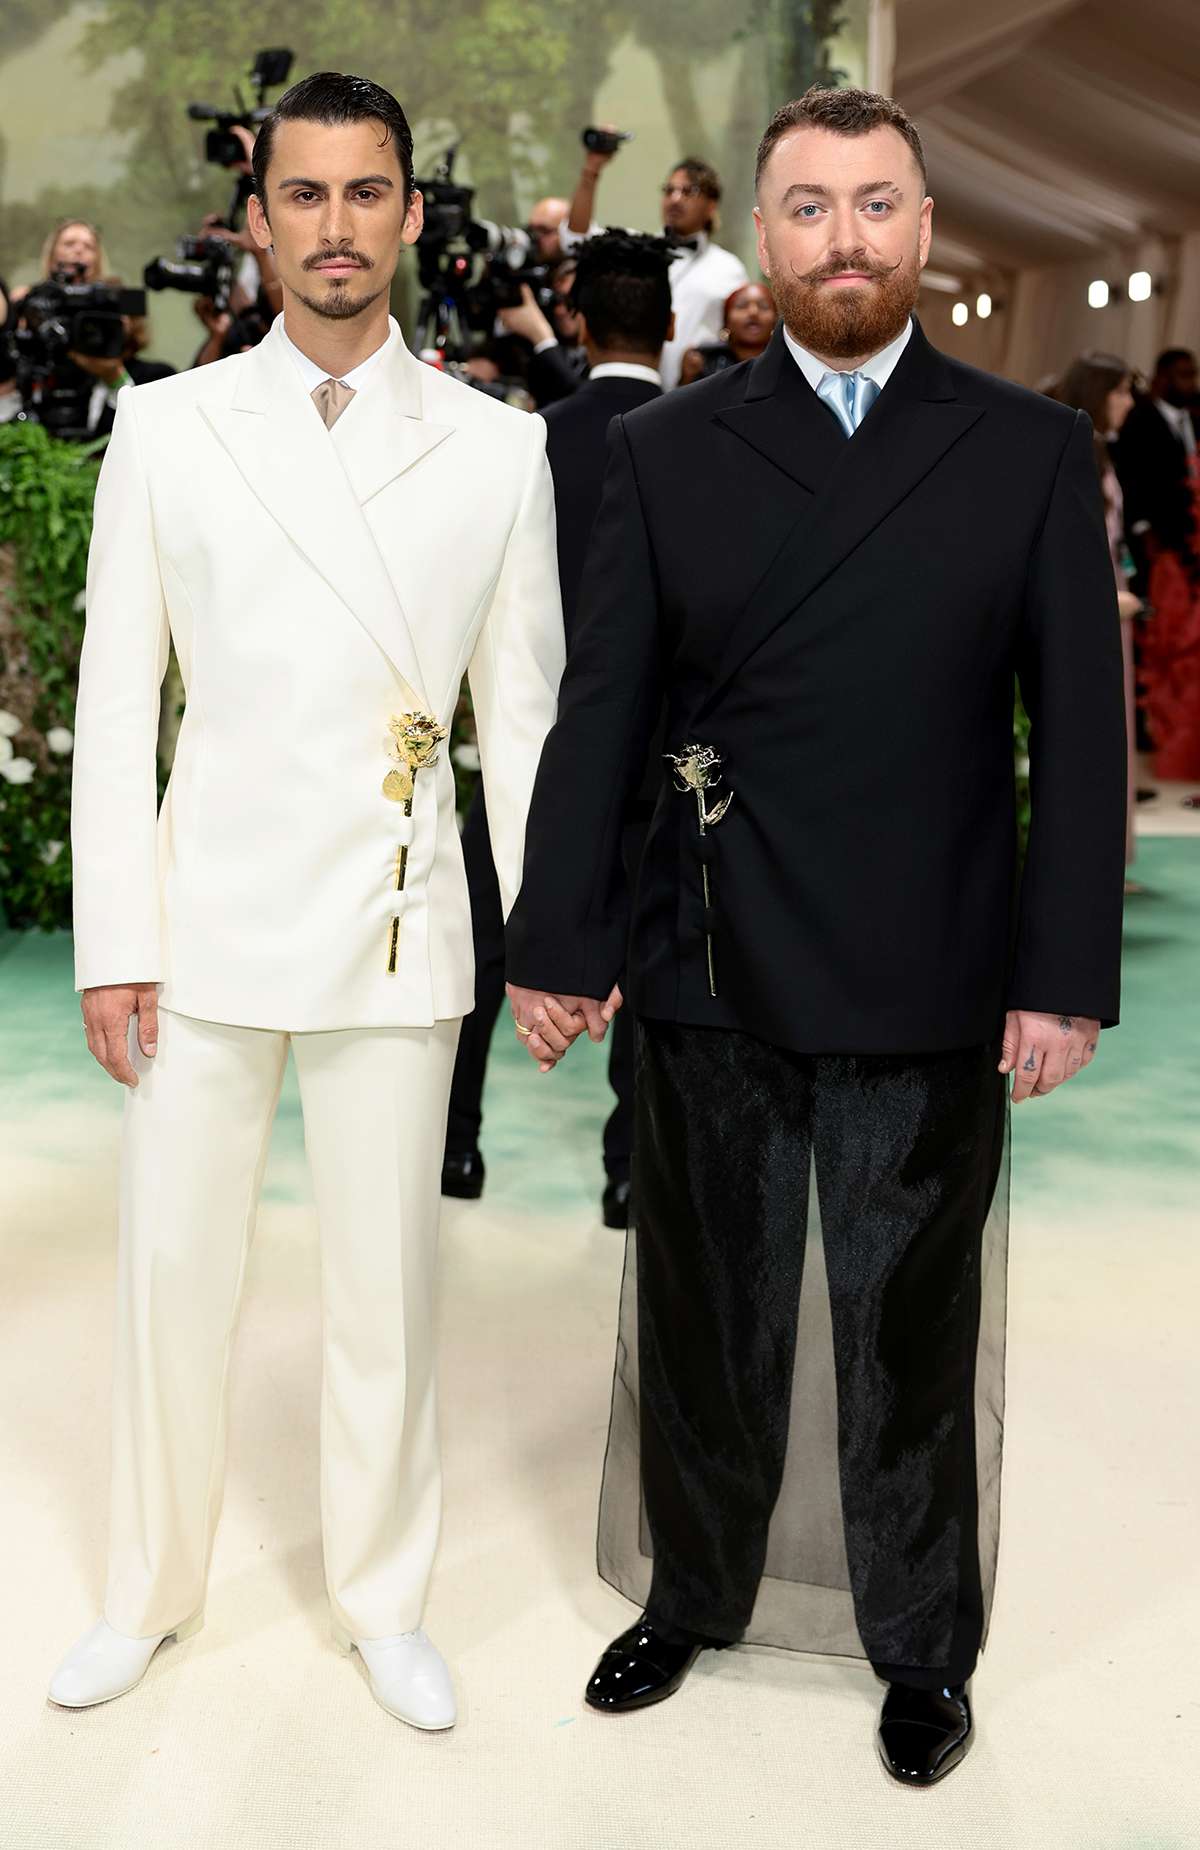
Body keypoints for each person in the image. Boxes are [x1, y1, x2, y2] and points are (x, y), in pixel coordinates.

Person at [505, 84, 1126, 1787]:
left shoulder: (1024, 453)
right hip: (712, 955)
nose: (842, 238)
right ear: (757, 244)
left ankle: (921, 1640)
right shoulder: (663, 451)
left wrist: (1063, 974)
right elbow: (603, 714)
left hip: (931, 961)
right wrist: (561, 939)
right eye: (807, 207)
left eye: (874, 206)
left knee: (904, 1323)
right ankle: (694, 1591)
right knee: (708, 1301)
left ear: (922, 232)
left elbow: (1074, 737)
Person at [51, 70, 564, 1729]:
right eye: (305, 196)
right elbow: (122, 702)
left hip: (396, 920)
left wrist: (546, 931)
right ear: (253, 219)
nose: (335, 229)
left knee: (388, 1291)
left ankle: (383, 1599)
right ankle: (146, 1590)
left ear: (413, 215)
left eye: (368, 195)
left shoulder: (500, 450)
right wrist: (117, 942)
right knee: (171, 1278)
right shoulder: (168, 429)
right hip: (204, 924)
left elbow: (528, 715)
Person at [443, 231, 671, 1224]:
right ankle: (631, 1169)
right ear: (673, 329)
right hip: (670, 749)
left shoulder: (532, 440)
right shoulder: (705, 437)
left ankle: (455, 1147)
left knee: (484, 948)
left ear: (575, 324)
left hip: (538, 742)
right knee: (656, 956)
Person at [562, 138, 747, 389]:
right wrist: (591, 169)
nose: (675, 199)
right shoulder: (638, 251)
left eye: (688, 191)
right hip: (628, 389)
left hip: (695, 397)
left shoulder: (729, 268)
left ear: (711, 204)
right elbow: (576, 237)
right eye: (669, 190)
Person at [1055, 352, 1140, 882]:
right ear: (1097, 392)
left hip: (1114, 592)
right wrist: (1105, 598)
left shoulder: (1099, 448)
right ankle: (1091, 862)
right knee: (1093, 728)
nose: (1129, 402)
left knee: (1116, 726)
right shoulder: (1075, 448)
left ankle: (1111, 856)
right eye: (1122, 391)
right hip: (1096, 599)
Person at [678, 280, 777, 384]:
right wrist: (687, 378)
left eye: (763, 306)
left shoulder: (787, 360)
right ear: (726, 320)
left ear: (776, 319)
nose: (753, 312)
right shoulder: (703, 358)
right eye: (742, 306)